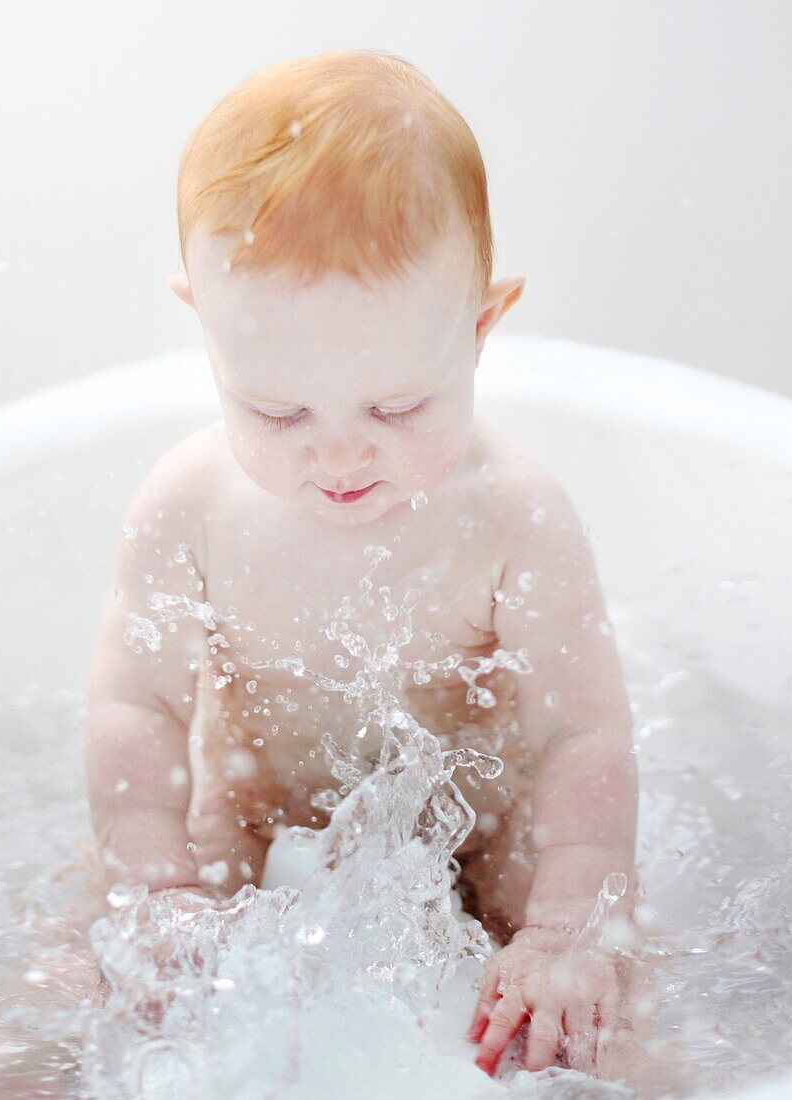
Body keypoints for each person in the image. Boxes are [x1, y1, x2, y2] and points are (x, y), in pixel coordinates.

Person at [87, 47, 644, 1080]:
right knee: (89, 951)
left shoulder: (514, 514)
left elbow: (581, 735)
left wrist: (565, 931)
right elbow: (137, 708)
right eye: (275, 409)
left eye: (397, 407)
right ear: (205, 331)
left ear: (479, 331)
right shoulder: (188, 501)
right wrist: (153, 885)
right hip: (249, 818)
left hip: (481, 834)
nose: (339, 453)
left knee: (595, 1013)